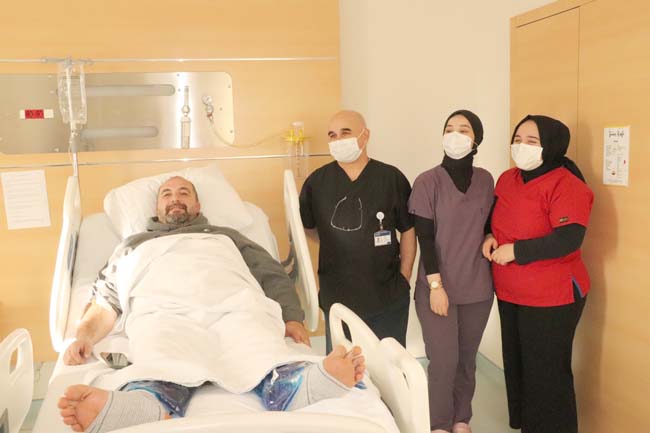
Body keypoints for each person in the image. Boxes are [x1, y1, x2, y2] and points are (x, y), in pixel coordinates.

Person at [58, 176, 366, 433]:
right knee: (159, 346)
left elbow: (271, 275)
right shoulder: (131, 246)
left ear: (197, 206)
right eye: (167, 194)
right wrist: (84, 337)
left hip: (233, 304)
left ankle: (292, 386)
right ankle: (147, 402)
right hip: (162, 310)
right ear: (157, 207)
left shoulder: (227, 236)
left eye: (184, 193)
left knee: (255, 338)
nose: (175, 198)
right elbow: (106, 299)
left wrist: (292, 318)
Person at [483, 115, 593, 433]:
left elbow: (568, 238)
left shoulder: (566, 185)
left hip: (551, 297)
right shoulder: (507, 179)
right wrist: (488, 235)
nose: (522, 146)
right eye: (518, 139)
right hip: (510, 291)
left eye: (532, 141)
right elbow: (494, 217)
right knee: (518, 365)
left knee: (547, 374)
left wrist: (516, 251)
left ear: (552, 145)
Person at [299, 110, 416, 352]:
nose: (338, 140)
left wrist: (405, 277)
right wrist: (337, 242)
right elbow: (308, 228)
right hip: (338, 297)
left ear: (365, 136)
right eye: (332, 135)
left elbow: (408, 230)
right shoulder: (317, 183)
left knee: (390, 366)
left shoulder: (390, 178)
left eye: (345, 133)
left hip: (387, 295)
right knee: (345, 367)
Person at [408, 110, 494, 433]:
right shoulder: (427, 182)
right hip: (437, 286)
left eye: (464, 129)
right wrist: (435, 286)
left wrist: (491, 235)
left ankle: (461, 419)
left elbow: (488, 223)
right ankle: (439, 424)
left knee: (467, 360)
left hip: (477, 287)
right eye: (449, 128)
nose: (455, 135)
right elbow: (425, 239)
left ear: (476, 140)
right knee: (444, 361)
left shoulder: (486, 180)